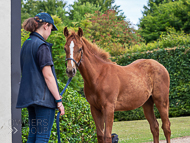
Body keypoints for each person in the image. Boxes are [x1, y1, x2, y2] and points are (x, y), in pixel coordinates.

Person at [16, 12, 64, 143]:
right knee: (42, 137)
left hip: (30, 98)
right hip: (43, 100)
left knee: (33, 135)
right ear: (46, 25)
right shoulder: (42, 46)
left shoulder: (27, 43)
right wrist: (58, 100)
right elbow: (48, 76)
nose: (50, 33)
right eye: (51, 29)